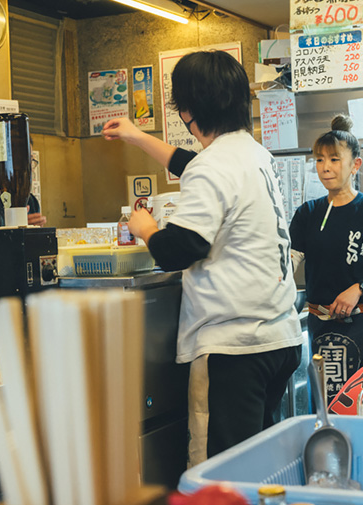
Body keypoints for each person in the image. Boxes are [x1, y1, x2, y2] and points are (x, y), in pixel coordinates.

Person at [101, 50, 302, 464]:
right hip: (278, 339)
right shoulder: (253, 154)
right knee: (259, 467)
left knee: (221, 474)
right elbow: (193, 164)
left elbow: (180, 249)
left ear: (189, 111)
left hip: (234, 349)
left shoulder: (213, 166)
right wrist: (136, 136)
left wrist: (145, 228)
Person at [289, 116, 363, 403]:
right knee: (327, 403)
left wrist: (359, 288)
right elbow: (290, 259)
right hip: (322, 325)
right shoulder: (308, 213)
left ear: (355, 164)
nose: (325, 167)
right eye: (319, 160)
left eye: (334, 159)